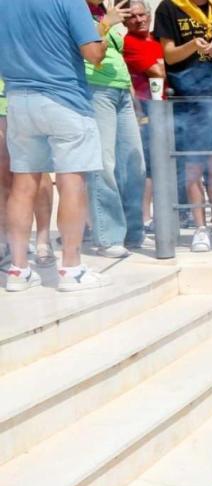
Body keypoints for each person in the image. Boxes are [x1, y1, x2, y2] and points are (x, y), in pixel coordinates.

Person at [0, 0, 110, 292]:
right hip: (65, 99)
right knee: (72, 182)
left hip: (18, 100)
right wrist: (106, 28)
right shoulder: (70, 1)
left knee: (23, 185)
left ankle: (18, 270)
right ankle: (71, 268)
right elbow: (93, 54)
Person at [153, 0, 212, 253]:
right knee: (193, 167)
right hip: (187, 96)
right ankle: (200, 228)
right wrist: (192, 45)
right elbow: (168, 54)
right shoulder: (168, 8)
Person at [85, 0, 147, 257]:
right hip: (95, 88)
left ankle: (132, 232)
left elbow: (118, 55)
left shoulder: (105, 12)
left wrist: (133, 96)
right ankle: (108, 237)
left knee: (135, 163)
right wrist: (106, 24)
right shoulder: (75, 10)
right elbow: (82, 50)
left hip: (121, 90)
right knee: (104, 163)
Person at [0, 77, 57, 271]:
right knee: (3, 170)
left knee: (37, 170)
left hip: (25, 92)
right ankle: (6, 240)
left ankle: (43, 239)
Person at [123, 0, 166, 233]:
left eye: (142, 15)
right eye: (133, 16)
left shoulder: (158, 38)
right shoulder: (129, 42)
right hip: (145, 109)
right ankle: (144, 218)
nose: (139, 20)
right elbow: (158, 72)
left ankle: (162, 215)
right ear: (124, 20)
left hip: (166, 107)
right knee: (149, 166)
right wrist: (161, 63)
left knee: (165, 165)